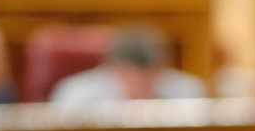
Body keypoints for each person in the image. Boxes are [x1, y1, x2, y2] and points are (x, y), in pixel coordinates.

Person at [49, 25, 205, 105]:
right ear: (114, 68)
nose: (140, 84)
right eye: (130, 76)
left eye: (148, 77)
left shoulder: (188, 91)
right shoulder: (76, 93)